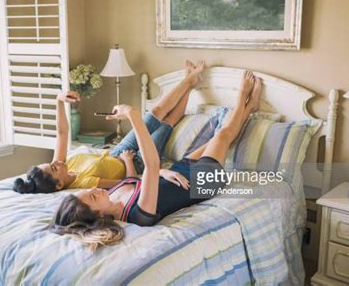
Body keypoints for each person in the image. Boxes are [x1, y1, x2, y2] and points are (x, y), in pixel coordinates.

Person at [49, 71, 262, 250]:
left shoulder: (110, 196)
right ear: (100, 217)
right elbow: (151, 164)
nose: (95, 191)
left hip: (177, 172)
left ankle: (249, 109)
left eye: (88, 193)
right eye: (93, 198)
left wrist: (162, 172)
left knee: (219, 138)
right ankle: (243, 96)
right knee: (223, 134)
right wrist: (133, 114)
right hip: (202, 183)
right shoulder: (138, 215)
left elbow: (140, 178)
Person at [13, 60, 205, 194]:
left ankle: (189, 81)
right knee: (167, 124)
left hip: (118, 152)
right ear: (59, 184)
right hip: (136, 161)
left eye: (52, 163)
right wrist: (129, 161)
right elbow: (130, 182)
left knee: (155, 112)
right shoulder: (84, 183)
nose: (57, 162)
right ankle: (190, 82)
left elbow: (62, 133)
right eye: (54, 168)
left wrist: (59, 101)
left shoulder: (63, 165)